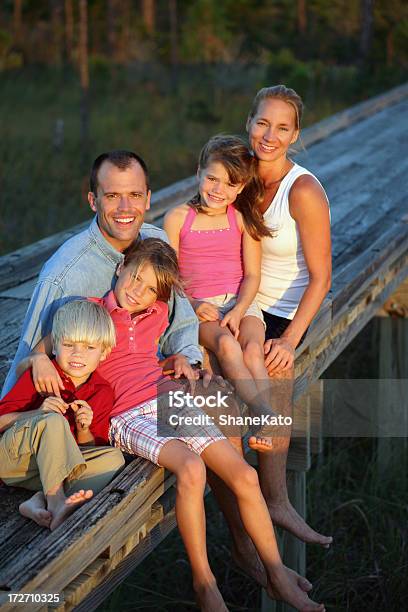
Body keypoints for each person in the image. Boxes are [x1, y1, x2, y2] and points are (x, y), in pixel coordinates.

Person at [26, 238, 325, 612]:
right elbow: (44, 347)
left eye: (150, 287)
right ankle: (204, 582)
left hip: (168, 399)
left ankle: (277, 572)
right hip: (125, 413)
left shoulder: (157, 313)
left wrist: (177, 362)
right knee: (192, 468)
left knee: (245, 477)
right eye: (134, 277)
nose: (138, 291)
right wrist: (38, 358)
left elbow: (154, 355)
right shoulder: (90, 311)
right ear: (120, 269)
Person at [210, 85, 333, 586]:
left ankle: (277, 500)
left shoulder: (302, 191)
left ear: (295, 135)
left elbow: (323, 277)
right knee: (214, 401)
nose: (269, 135)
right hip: (245, 300)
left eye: (282, 127)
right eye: (263, 123)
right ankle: (242, 538)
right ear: (249, 122)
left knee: (269, 369)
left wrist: (289, 340)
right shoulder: (238, 173)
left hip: (293, 310)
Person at [1, 150, 202, 399]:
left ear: (148, 199)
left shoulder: (157, 241)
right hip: (99, 407)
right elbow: (29, 357)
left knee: (224, 410)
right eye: (112, 196)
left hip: (158, 378)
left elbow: (180, 321)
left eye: (135, 195)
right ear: (93, 201)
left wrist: (191, 364)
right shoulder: (64, 275)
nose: (125, 208)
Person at [164, 134, 278, 451]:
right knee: (227, 344)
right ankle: (264, 413)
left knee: (254, 351)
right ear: (199, 172)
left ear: (241, 187)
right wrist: (195, 303)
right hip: (199, 309)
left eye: (230, 184)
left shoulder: (241, 219)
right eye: (212, 178)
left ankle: (263, 425)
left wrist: (240, 310)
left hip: (242, 303)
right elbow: (170, 279)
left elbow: (253, 275)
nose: (219, 190)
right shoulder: (178, 218)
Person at [0, 300, 124, 531]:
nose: (78, 354)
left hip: (46, 472)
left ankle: (38, 500)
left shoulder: (101, 391)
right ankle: (57, 502)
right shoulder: (42, 376)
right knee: (52, 420)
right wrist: (37, 414)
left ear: (104, 352)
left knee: (113, 459)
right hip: (13, 462)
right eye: (69, 344)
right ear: (54, 346)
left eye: (89, 347)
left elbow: (86, 450)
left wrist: (84, 428)